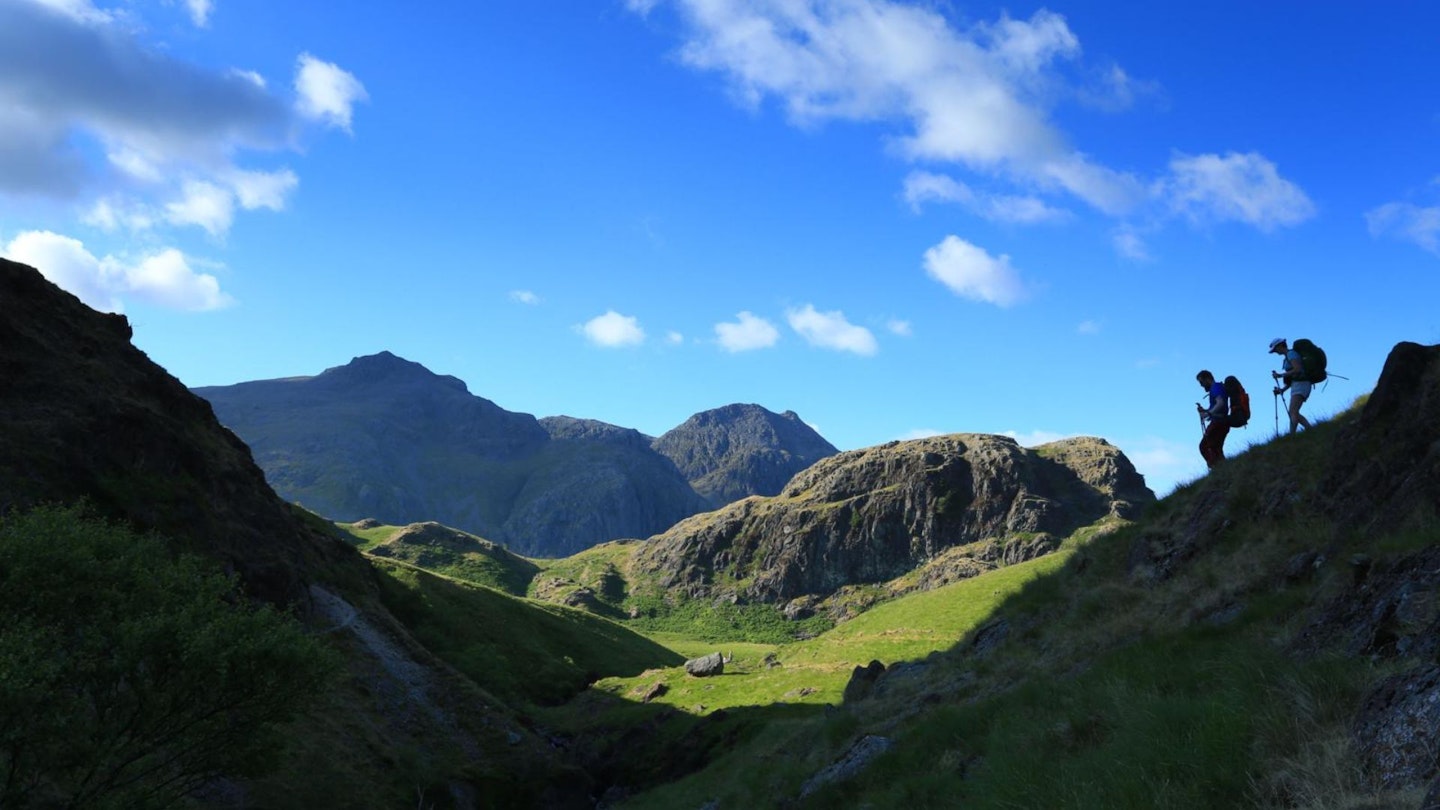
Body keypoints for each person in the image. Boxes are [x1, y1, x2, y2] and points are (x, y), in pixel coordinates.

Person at [1269, 338, 1313, 434]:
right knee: (1294, 412)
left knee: (1292, 411)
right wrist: (1283, 390)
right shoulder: (1288, 356)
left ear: (1280, 345)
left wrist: (1280, 375)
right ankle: (1309, 430)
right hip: (1298, 385)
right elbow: (1294, 376)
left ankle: (1292, 435)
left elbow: (1298, 369)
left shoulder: (1291, 354)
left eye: (1275, 349)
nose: (1275, 352)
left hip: (1301, 384)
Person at [1196, 369, 1229, 469]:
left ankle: (1216, 469)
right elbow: (1219, 405)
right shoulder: (1217, 388)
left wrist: (1208, 413)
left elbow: (1220, 403)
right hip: (1223, 422)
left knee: (1205, 446)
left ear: (1208, 379)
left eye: (1202, 382)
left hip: (1218, 423)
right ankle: (1223, 468)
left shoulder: (1215, 388)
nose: (1201, 385)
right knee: (1216, 448)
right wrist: (1205, 411)